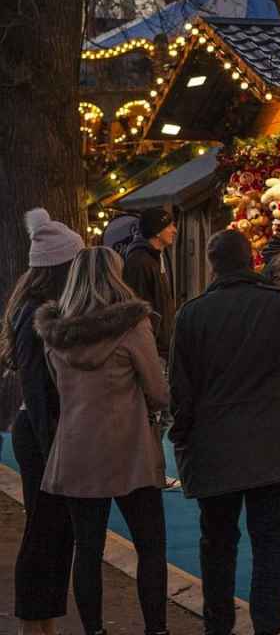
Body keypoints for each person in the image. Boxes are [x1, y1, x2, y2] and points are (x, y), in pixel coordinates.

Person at [170, 230, 280, 635]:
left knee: (217, 543)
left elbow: (181, 389)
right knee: (271, 542)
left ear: (213, 265)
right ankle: (267, 624)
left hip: (214, 446)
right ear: (251, 261)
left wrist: (183, 436)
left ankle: (218, 623)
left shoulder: (191, 315)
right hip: (271, 443)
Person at [35, 247, 169, 635]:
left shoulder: (55, 334)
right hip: (129, 450)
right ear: (116, 275)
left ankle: (94, 629)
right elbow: (158, 392)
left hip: (77, 449)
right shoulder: (132, 326)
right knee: (150, 545)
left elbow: (58, 388)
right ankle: (156, 629)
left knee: (88, 549)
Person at [6, 209, 81, 635]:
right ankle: (35, 621)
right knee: (45, 530)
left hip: (41, 433)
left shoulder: (33, 308)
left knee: (51, 528)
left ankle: (41, 619)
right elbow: (38, 390)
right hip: (42, 435)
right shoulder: (37, 314)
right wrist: (55, 444)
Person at [120, 205, 177, 365]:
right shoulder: (139, 262)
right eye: (170, 226)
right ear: (157, 231)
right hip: (151, 349)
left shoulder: (156, 257)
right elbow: (137, 307)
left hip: (160, 346)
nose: (175, 230)